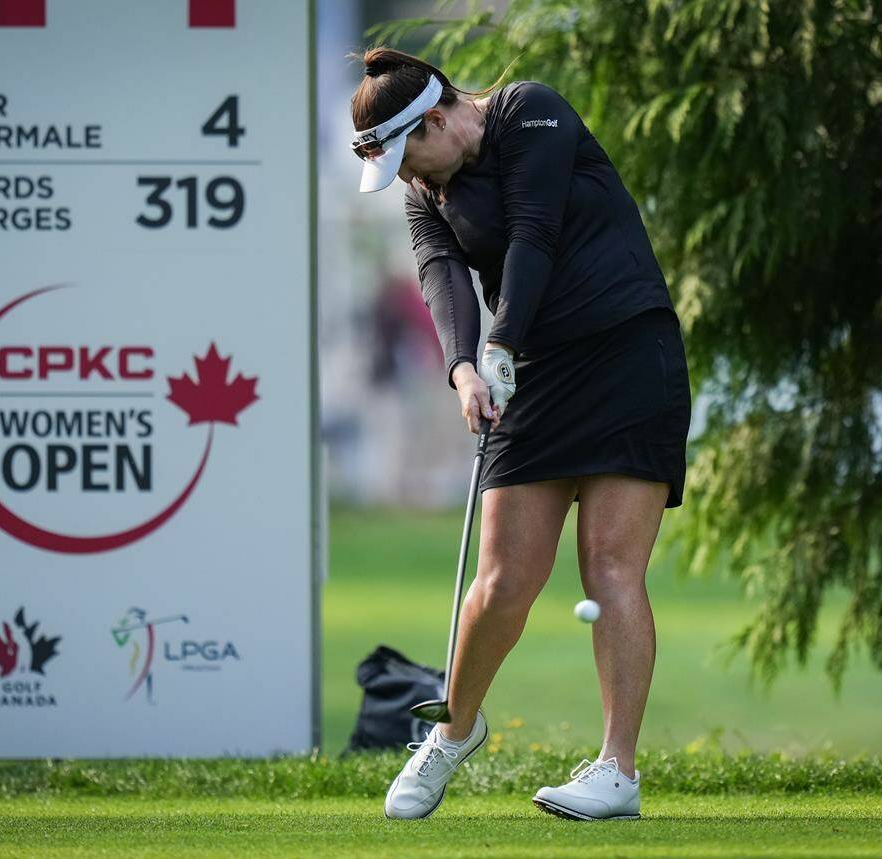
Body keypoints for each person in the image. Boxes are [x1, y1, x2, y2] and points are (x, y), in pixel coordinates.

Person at [349, 47, 692, 821]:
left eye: (411, 156)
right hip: (530, 375)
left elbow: (535, 232)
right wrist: (465, 369)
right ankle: (452, 733)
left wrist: (500, 346)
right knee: (503, 581)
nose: (410, 178)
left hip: (627, 352)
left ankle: (617, 770)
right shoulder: (427, 191)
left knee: (609, 569)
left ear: (436, 119)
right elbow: (442, 278)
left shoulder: (529, 111)